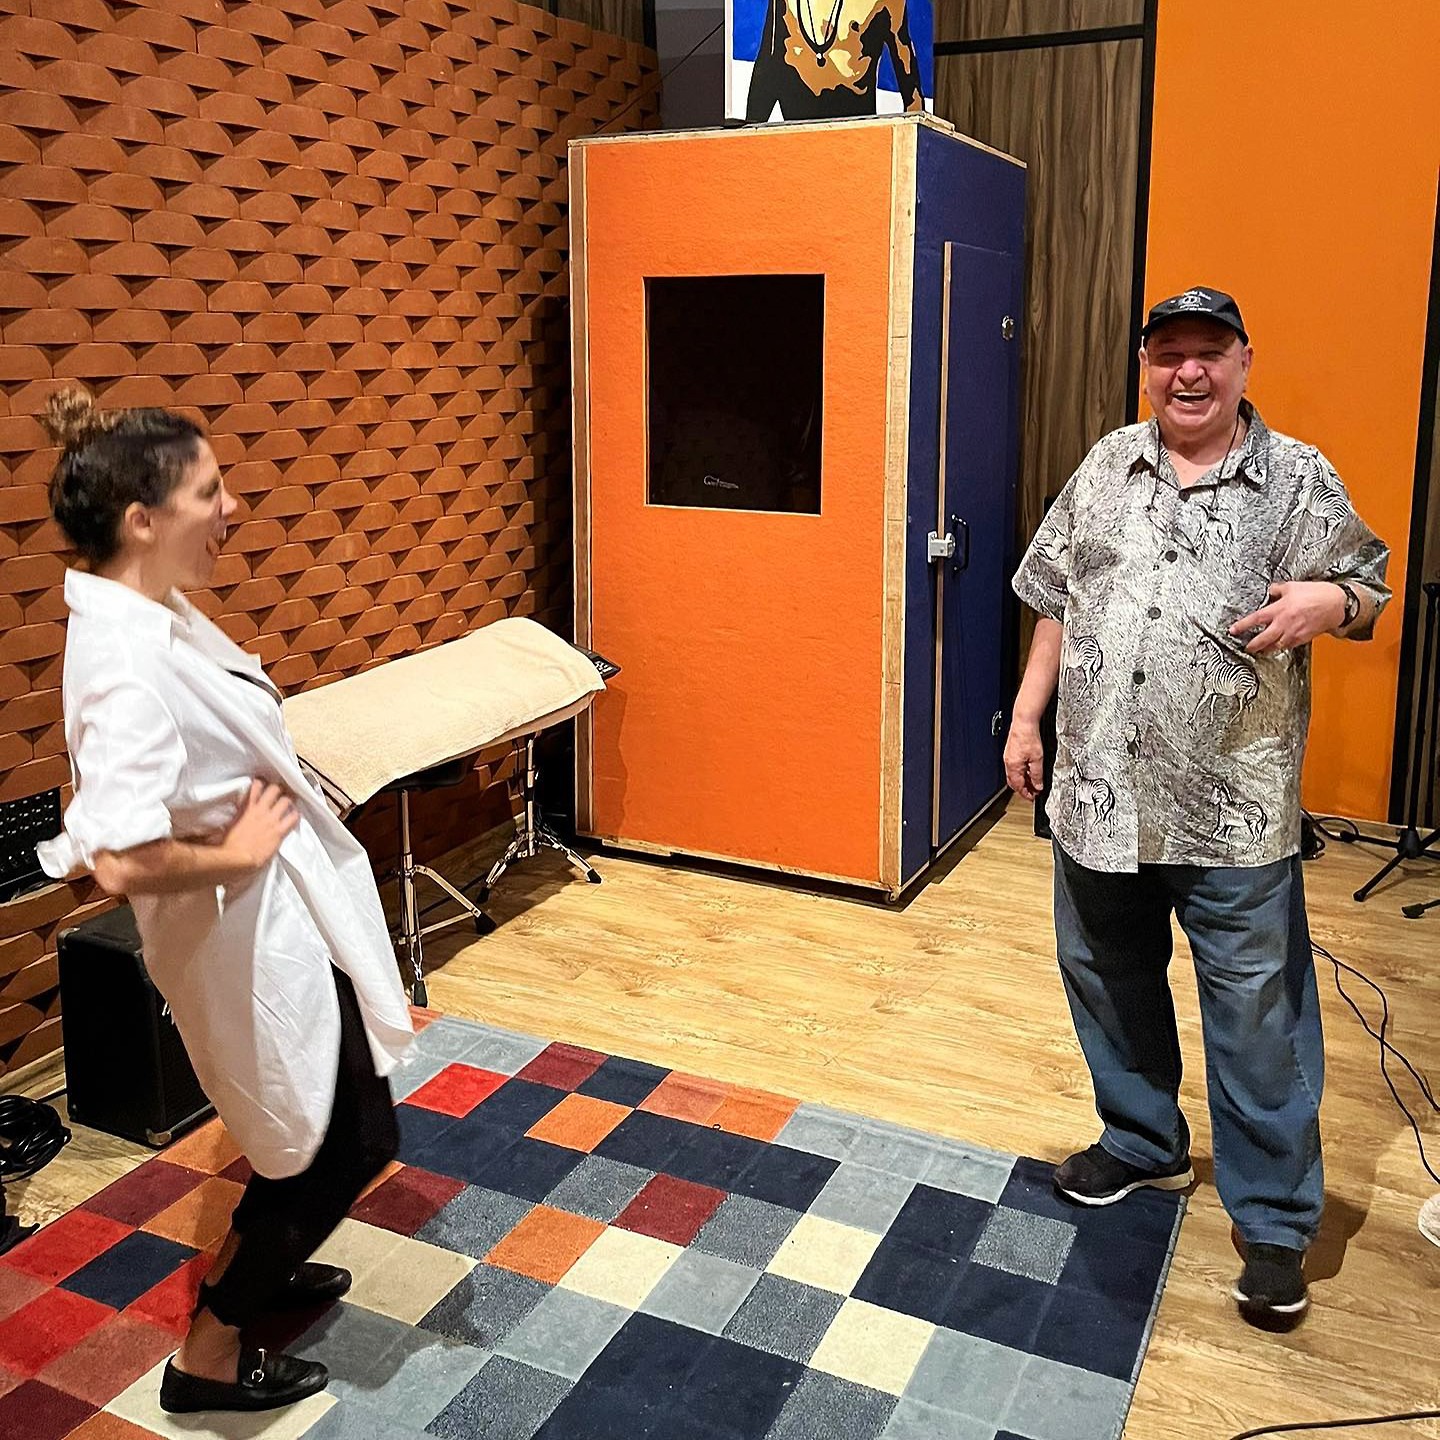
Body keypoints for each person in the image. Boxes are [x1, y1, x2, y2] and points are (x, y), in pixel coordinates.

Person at [1004, 287, 1390, 1329]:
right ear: (1146, 367)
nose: (1188, 371)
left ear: (1243, 362)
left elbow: (1369, 584)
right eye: (1168, 352)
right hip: (1098, 795)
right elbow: (1058, 600)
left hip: (1234, 810)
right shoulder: (1105, 465)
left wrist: (1329, 600)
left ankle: (1274, 1222)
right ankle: (1143, 1143)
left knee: (1259, 1021)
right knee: (1107, 980)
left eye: (1208, 352)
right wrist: (1027, 719)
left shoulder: (1297, 476)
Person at [36, 388, 414, 1413]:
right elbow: (114, 861)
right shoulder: (124, 663)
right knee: (348, 1143)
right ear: (141, 519)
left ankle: (255, 1272)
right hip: (238, 929)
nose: (232, 507)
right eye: (210, 491)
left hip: (272, 914)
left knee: (316, 1120)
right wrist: (232, 850)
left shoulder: (146, 607)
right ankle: (207, 1358)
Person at [745, 0, 924, 122]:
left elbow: (904, 61)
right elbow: (768, 61)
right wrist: (749, 134)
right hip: (796, 138)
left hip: (855, 135)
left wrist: (917, 132)